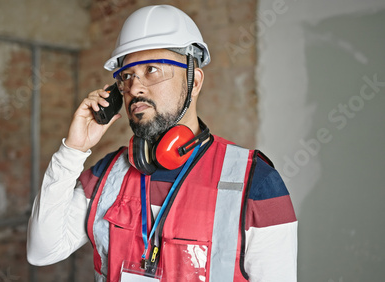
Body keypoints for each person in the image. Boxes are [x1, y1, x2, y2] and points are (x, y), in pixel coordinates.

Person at [27, 4, 297, 282]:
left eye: (152, 70)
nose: (134, 88)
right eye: (127, 76)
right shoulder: (107, 174)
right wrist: (73, 150)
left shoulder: (255, 182)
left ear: (194, 81)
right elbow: (41, 251)